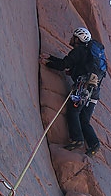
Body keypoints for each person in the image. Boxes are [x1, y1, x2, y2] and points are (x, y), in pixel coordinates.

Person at [40, 27, 103, 156]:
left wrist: (47, 62)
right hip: (94, 92)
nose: (71, 39)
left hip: (82, 87)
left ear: (78, 39)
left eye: (74, 37)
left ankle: (77, 139)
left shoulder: (79, 51)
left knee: (73, 111)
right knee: (84, 119)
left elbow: (64, 64)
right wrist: (51, 58)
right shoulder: (91, 56)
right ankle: (94, 143)